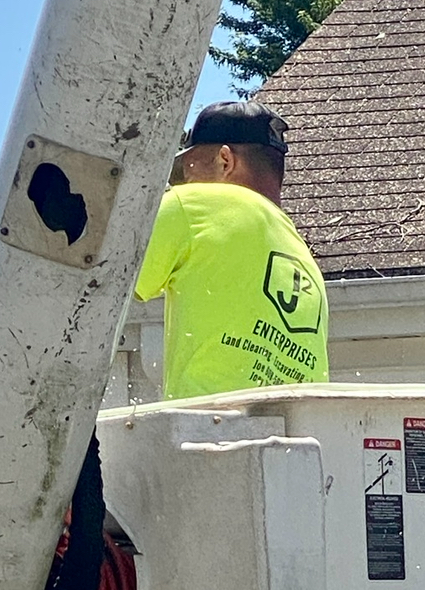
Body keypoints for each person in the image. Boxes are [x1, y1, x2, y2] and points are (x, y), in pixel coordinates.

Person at [134, 100, 329, 401]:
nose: (184, 182)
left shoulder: (193, 205)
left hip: (207, 429)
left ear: (225, 161)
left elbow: (101, 286)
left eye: (187, 169)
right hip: (293, 433)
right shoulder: (301, 255)